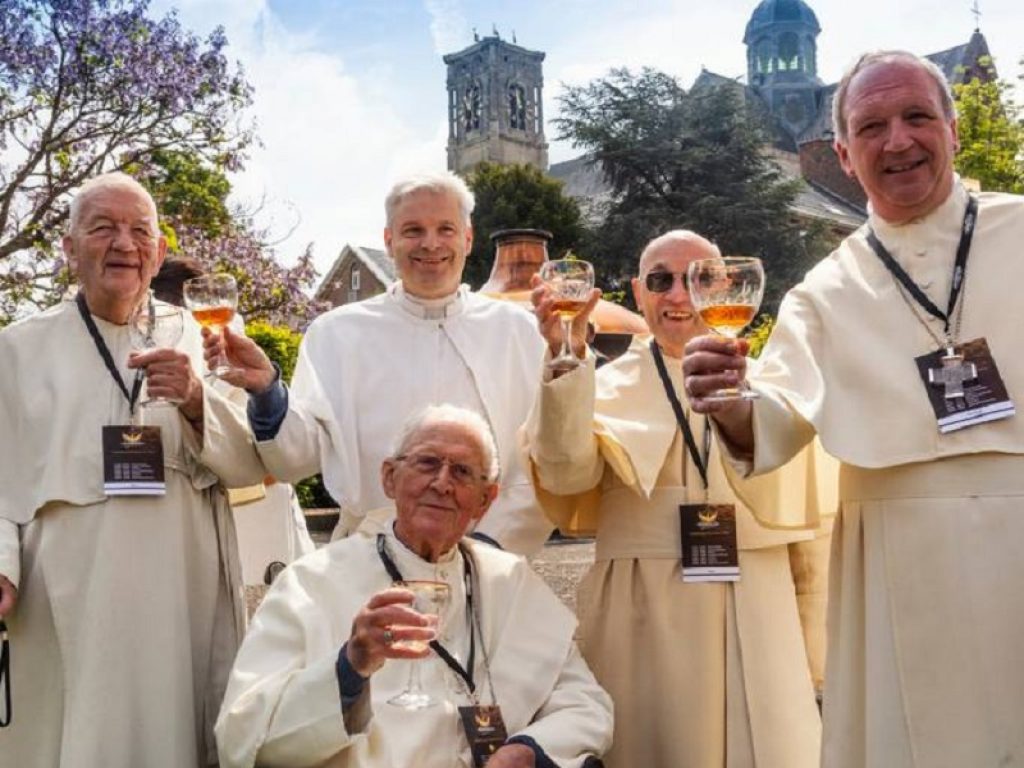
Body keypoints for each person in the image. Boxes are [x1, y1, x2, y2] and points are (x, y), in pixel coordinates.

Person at [683, 50, 1024, 768]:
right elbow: (776, 414)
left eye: (917, 117)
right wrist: (730, 402)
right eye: (871, 127)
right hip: (896, 560)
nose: (898, 141)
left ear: (954, 131)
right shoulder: (823, 290)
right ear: (842, 153)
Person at [526, 231, 828, 768]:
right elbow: (567, 476)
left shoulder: (774, 391)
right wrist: (565, 357)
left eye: (699, 278)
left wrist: (819, 644)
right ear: (638, 293)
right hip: (644, 613)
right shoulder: (596, 385)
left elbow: (814, 535)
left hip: (758, 607)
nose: (679, 295)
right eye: (661, 280)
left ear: (725, 286)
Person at [0, 172, 265, 767]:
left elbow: (254, 465)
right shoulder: (16, 349)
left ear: (160, 251)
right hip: (68, 592)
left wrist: (196, 401)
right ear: (69, 248)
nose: (124, 244)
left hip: (182, 582)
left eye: (140, 231)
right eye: (103, 228)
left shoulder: (208, 336)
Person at [215, 404, 613, 768]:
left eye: (462, 472)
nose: (442, 483)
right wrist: (349, 668)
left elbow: (585, 703)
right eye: (427, 463)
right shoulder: (311, 583)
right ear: (390, 478)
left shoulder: (514, 584)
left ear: (485, 500)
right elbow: (243, 737)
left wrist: (527, 750)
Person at [207, 172, 551, 555]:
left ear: (468, 239)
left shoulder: (520, 332)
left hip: (490, 554)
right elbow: (298, 456)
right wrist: (267, 391)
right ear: (389, 241)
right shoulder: (336, 333)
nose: (431, 243)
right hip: (369, 554)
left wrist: (488, 548)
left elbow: (543, 457)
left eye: (446, 229)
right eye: (413, 230)